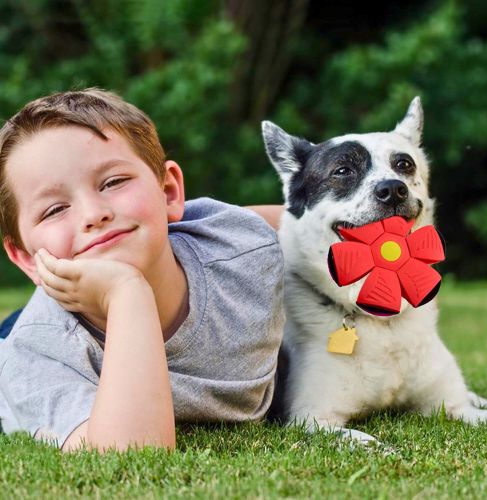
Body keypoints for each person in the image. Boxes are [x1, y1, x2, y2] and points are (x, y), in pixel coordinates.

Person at [0, 88, 285, 452]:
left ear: (168, 192)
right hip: (42, 332)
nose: (93, 214)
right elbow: (130, 455)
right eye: (54, 210)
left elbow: (321, 228)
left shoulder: (243, 247)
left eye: (113, 182)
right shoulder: (36, 355)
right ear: (25, 257)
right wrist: (125, 292)